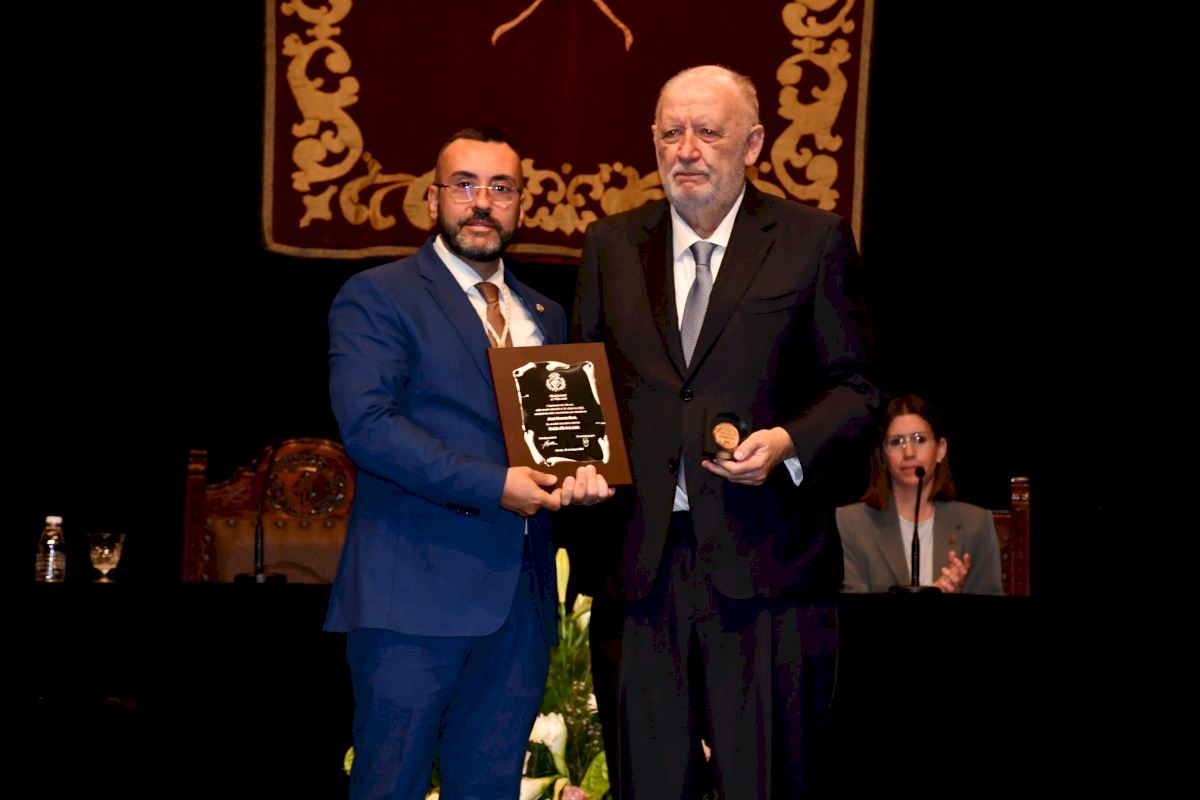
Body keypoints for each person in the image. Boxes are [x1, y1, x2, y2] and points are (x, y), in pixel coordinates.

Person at [571, 65, 878, 798]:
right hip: (641, 573)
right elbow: (583, 386)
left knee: (763, 782)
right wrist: (574, 465)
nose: (686, 149)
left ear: (753, 144)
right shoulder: (611, 244)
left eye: (708, 132)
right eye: (671, 132)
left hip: (769, 568)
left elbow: (858, 389)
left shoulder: (813, 240)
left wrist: (788, 443)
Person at [324, 127, 612, 800]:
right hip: (409, 601)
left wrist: (582, 477)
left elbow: (558, 443)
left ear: (521, 206)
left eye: (501, 188)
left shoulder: (546, 314)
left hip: (520, 607)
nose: (482, 202)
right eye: (465, 185)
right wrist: (496, 486)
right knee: (388, 787)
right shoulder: (378, 295)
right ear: (433, 200)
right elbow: (369, 428)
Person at [837, 394, 1004, 594]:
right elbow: (847, 608)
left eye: (919, 439)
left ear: (940, 449)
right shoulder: (850, 523)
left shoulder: (976, 523)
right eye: (896, 442)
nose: (909, 452)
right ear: (883, 455)